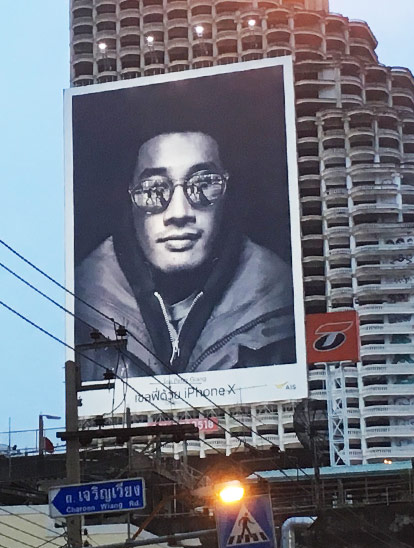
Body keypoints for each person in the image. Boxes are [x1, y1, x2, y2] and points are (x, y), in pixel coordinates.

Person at [75, 129, 295, 376]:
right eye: (153, 189)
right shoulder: (79, 301)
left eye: (203, 184)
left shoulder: (283, 299)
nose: (179, 213)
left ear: (227, 189)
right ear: (129, 195)